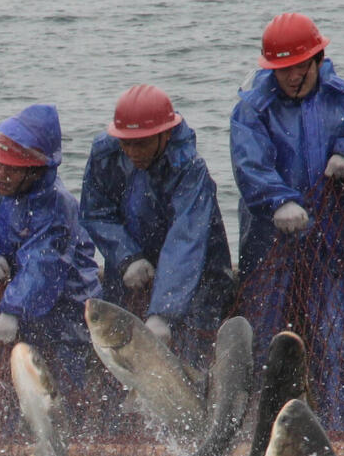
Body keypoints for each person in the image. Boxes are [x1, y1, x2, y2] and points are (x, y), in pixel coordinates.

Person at [229, 12, 344, 424]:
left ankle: (339, 430)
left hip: (332, 241)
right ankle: (262, 434)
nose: (292, 76)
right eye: (281, 69)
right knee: (266, 344)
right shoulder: (251, 108)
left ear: (318, 59)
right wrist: (279, 201)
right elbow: (248, 164)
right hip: (271, 243)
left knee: (334, 343)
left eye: (299, 66)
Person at [0, 104, 99, 419]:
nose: (1, 174)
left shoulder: (57, 207)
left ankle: (71, 454)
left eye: (12, 169)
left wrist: (13, 310)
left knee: (62, 395)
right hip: (12, 296)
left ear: (35, 169)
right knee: (3, 392)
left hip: (65, 308)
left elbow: (43, 265)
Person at [81, 84, 233, 368]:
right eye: (125, 143)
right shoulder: (105, 154)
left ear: (165, 135)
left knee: (192, 364)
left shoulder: (189, 168)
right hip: (129, 274)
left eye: (141, 144)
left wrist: (163, 312)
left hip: (194, 278)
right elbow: (95, 211)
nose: (131, 151)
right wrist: (126, 257)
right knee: (124, 366)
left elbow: (186, 239)